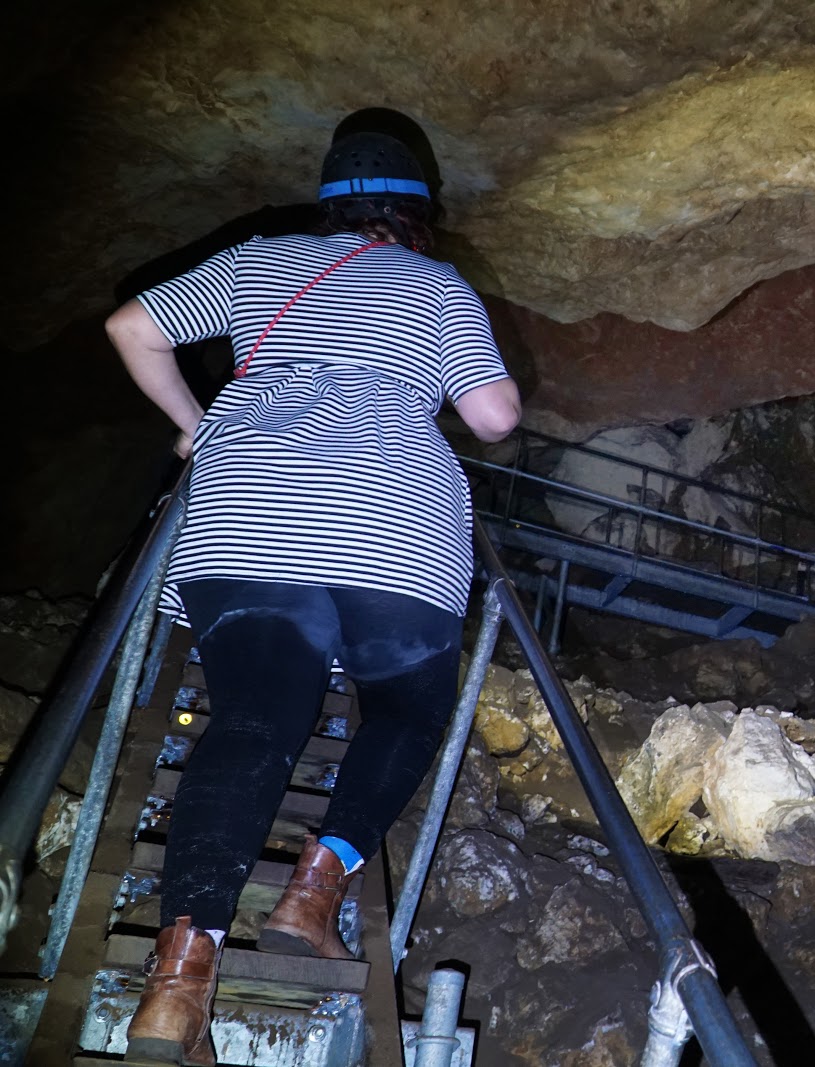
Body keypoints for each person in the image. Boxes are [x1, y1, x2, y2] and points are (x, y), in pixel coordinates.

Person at [104, 126, 521, 1066]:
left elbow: (132, 328)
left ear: (331, 197)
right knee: (411, 706)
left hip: (249, 516)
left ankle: (178, 979)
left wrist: (194, 425)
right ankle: (316, 886)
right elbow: (496, 416)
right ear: (421, 208)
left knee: (253, 720)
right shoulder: (437, 285)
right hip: (393, 532)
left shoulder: (262, 259)